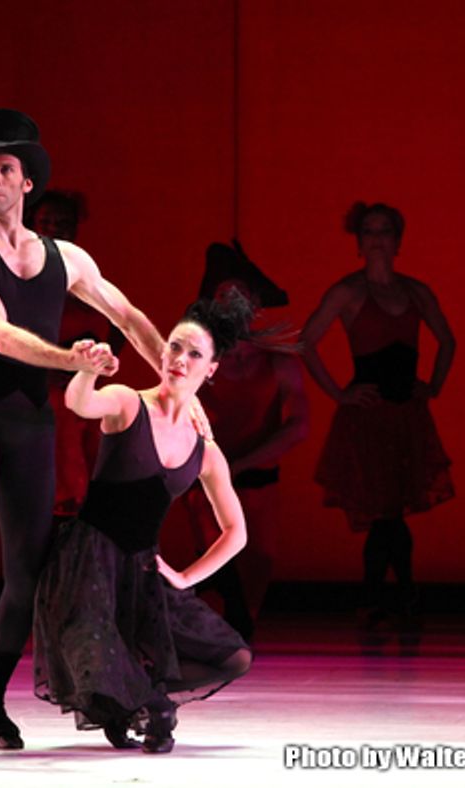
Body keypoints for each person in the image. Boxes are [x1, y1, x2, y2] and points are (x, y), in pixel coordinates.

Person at [0, 109, 173, 758]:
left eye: (3, 169)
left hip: (28, 419)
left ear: (27, 182)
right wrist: (73, 359)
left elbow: (127, 311)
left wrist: (171, 373)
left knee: (29, 571)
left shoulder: (64, 258)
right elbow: (1, 334)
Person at [34, 294, 254, 755]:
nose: (180, 359)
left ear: (211, 369)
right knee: (96, 660)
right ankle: (146, 704)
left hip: (142, 571)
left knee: (234, 657)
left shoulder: (206, 451)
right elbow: (80, 403)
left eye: (195, 354)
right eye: (175, 347)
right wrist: (91, 366)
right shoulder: (127, 403)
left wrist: (186, 576)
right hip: (88, 562)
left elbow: (237, 531)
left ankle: (137, 697)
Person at [301, 202, 455, 626]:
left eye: (384, 230)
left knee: (390, 513)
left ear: (397, 239)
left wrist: (434, 386)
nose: (376, 238)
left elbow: (448, 341)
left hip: (406, 415)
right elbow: (305, 342)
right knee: (386, 514)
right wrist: (339, 394)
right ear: (359, 241)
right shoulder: (348, 292)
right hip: (369, 418)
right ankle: (394, 595)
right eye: (369, 231)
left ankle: (385, 597)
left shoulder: (416, 291)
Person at [183, 240, 308, 641]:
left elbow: (298, 425)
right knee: (219, 560)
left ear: (255, 304)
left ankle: (229, 635)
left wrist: (240, 465)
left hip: (258, 482)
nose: (232, 301)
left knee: (257, 566)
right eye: (223, 294)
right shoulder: (195, 358)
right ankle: (220, 635)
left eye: (241, 294)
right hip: (205, 480)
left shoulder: (279, 362)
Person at [26, 189, 127, 521]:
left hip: (88, 400)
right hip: (46, 403)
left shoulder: (87, 278)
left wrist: (94, 366)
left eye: (64, 223)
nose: (56, 229)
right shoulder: (22, 282)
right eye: (47, 222)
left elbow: (118, 330)